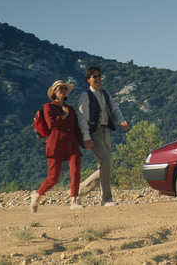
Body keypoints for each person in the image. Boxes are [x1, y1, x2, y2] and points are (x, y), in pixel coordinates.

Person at [76, 66, 128, 206]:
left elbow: (114, 107)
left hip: (105, 131)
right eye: (94, 76)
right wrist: (86, 137)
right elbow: (82, 118)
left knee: (107, 165)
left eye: (99, 76)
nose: (98, 78)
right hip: (93, 133)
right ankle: (106, 198)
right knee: (105, 162)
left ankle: (80, 190)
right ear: (88, 80)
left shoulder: (105, 94)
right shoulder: (85, 96)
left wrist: (121, 119)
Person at [31, 80, 84, 213]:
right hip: (55, 144)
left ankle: (74, 201)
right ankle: (37, 196)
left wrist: (83, 142)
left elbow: (76, 128)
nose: (63, 90)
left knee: (76, 171)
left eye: (65, 88)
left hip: (71, 143)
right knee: (53, 178)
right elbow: (51, 125)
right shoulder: (49, 107)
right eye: (59, 88)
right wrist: (64, 115)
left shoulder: (71, 109)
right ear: (54, 92)